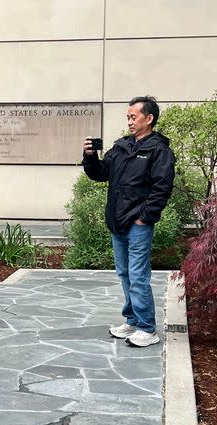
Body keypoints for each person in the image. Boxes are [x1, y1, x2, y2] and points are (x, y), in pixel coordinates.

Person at [82, 95, 175, 347]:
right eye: (128, 118)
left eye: (133, 117)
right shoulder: (122, 146)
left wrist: (145, 218)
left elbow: (162, 187)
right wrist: (90, 157)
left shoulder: (159, 150)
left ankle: (147, 328)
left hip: (137, 224)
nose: (130, 122)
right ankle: (132, 320)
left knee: (137, 274)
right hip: (117, 221)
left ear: (149, 118)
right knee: (125, 273)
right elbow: (101, 174)